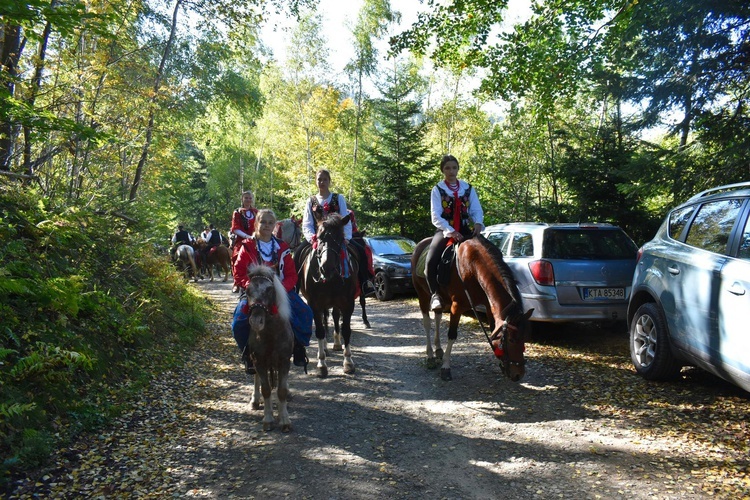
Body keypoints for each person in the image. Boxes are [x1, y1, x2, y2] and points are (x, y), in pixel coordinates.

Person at [231, 209, 313, 374]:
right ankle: (248, 354)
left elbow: (291, 274)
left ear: (275, 225)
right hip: (255, 293)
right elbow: (238, 272)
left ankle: (298, 347)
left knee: (305, 313)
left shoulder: (282, 247)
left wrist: (282, 288)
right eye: (263, 222)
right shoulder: (247, 246)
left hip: (280, 291)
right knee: (238, 323)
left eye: (270, 222)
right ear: (256, 224)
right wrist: (251, 286)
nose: (267, 226)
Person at [298, 169, 375, 296]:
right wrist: (312, 238)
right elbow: (307, 223)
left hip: (337, 238)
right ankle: (296, 287)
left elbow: (346, 219)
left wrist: (347, 238)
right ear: (316, 182)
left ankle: (365, 283)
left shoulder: (338, 198)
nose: (322, 182)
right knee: (298, 254)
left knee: (360, 251)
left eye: (324, 179)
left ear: (329, 181)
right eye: (319, 179)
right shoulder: (310, 200)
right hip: (318, 237)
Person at [426, 155, 485, 311]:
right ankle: (435, 295)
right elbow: (436, 215)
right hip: (445, 230)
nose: (451, 171)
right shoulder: (438, 189)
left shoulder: (468, 188)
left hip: (465, 228)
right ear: (443, 171)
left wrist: (478, 222)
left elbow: (475, 209)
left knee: (490, 253)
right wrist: (451, 231)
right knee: (430, 261)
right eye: (447, 168)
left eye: (454, 167)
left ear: (458, 169)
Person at [230, 190, 258, 293]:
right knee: (237, 257)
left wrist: (255, 235)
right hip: (241, 240)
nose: (248, 200)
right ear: (242, 199)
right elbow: (235, 228)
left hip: (255, 239)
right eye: (246, 197)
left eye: (250, 198)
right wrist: (247, 236)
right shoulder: (237, 212)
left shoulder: (256, 212)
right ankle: (237, 283)